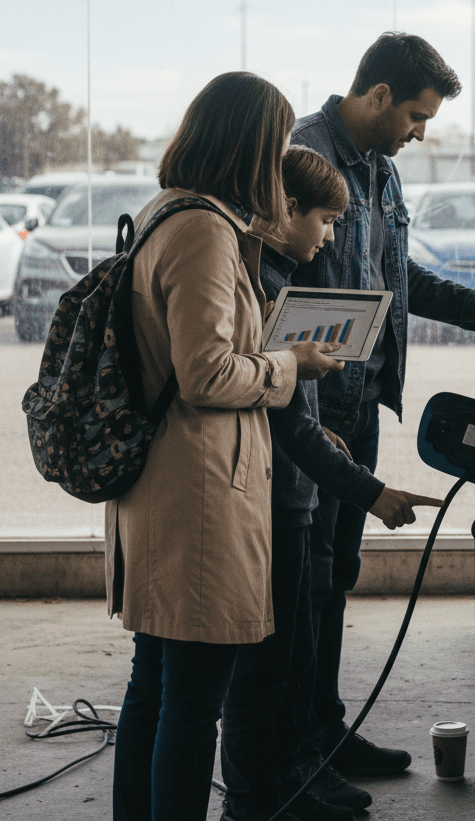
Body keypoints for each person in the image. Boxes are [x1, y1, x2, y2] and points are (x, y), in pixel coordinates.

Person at [106, 72, 346, 821]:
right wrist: (290, 364)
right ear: (249, 144)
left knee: (155, 687)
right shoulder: (205, 230)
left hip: (162, 486)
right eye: (275, 143)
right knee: (192, 705)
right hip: (198, 494)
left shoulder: (165, 213)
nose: (282, 159)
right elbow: (206, 373)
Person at [289, 32, 475, 774]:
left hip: (359, 406)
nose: (421, 133)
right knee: (306, 583)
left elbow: (397, 276)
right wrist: (310, 414)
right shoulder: (307, 157)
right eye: (417, 116)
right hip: (313, 410)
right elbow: (287, 291)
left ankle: (322, 733)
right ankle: (298, 748)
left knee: (336, 577)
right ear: (379, 96)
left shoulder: (383, 174)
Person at [220, 147, 444, 821]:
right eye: (324, 220)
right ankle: (265, 799)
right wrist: (372, 493)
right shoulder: (261, 290)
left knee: (287, 658)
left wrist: (321, 420)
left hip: (293, 497)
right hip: (278, 503)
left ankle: (289, 779)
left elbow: (290, 412)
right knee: (268, 671)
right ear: (285, 208)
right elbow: (288, 428)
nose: (329, 237)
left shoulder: (277, 275)